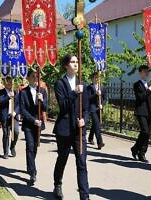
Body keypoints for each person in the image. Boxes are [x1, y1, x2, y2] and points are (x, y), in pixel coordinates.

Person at [52, 53, 90, 200]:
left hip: (79, 130)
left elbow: (86, 107)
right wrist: (74, 93)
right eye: (72, 62)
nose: (76, 64)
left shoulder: (82, 84)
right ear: (66, 65)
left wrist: (84, 120)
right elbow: (63, 106)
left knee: (81, 163)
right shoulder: (60, 84)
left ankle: (84, 196)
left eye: (77, 62)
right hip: (64, 130)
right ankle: (57, 184)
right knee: (63, 158)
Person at [19, 68, 48, 186]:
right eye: (33, 77)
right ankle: (32, 173)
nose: (35, 79)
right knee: (30, 146)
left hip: (39, 124)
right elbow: (23, 110)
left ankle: (30, 164)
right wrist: (33, 120)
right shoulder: (23, 92)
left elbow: (46, 108)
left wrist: (42, 100)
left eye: (37, 77)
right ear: (28, 78)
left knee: (35, 147)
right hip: (28, 124)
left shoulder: (42, 91)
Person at [131, 65, 151, 163]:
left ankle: (142, 153)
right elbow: (141, 98)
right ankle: (136, 148)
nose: (147, 73)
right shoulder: (137, 84)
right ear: (140, 72)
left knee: (147, 134)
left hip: (149, 112)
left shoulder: (150, 83)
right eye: (145, 71)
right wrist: (149, 89)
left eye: (148, 72)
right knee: (145, 131)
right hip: (140, 111)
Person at [0, 76, 19, 159]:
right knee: (6, 134)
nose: (9, 84)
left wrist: (15, 112)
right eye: (8, 82)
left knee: (16, 132)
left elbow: (18, 104)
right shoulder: (1, 92)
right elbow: (1, 102)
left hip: (14, 116)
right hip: (5, 116)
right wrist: (8, 96)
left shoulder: (16, 92)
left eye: (11, 83)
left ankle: (12, 146)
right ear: (5, 83)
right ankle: (5, 151)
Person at [87, 71, 106, 149]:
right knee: (97, 124)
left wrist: (102, 105)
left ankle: (90, 137)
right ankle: (100, 142)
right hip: (92, 108)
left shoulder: (102, 87)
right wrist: (96, 94)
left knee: (95, 124)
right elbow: (88, 98)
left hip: (99, 108)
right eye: (95, 77)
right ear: (92, 79)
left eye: (98, 77)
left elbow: (105, 98)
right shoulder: (89, 87)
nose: (97, 79)